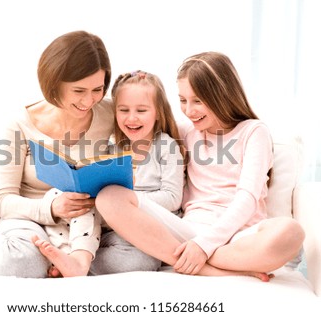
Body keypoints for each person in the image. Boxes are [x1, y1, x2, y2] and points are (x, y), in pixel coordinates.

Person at [0, 31, 156, 278]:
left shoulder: (111, 113)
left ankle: (67, 263)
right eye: (79, 91)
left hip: (89, 226)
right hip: (33, 222)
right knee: (20, 260)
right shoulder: (20, 125)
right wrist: (51, 208)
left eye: (97, 89)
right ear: (54, 82)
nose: (89, 101)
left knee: (144, 256)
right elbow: (3, 200)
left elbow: (153, 132)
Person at [95, 52, 305, 281]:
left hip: (239, 236)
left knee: (291, 232)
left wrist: (204, 246)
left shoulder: (253, 132)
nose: (189, 110)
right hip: (187, 232)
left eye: (197, 101)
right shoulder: (185, 131)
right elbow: (135, 112)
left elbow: (247, 199)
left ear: (222, 95)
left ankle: (197, 258)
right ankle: (213, 267)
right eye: (183, 100)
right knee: (109, 197)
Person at [34, 70, 186, 277]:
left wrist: (131, 201)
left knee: (140, 260)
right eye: (123, 110)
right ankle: (73, 254)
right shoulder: (112, 147)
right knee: (59, 196)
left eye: (141, 110)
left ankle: (73, 264)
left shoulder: (166, 146)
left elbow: (173, 198)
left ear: (158, 112)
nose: (131, 118)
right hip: (106, 228)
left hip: (143, 227)